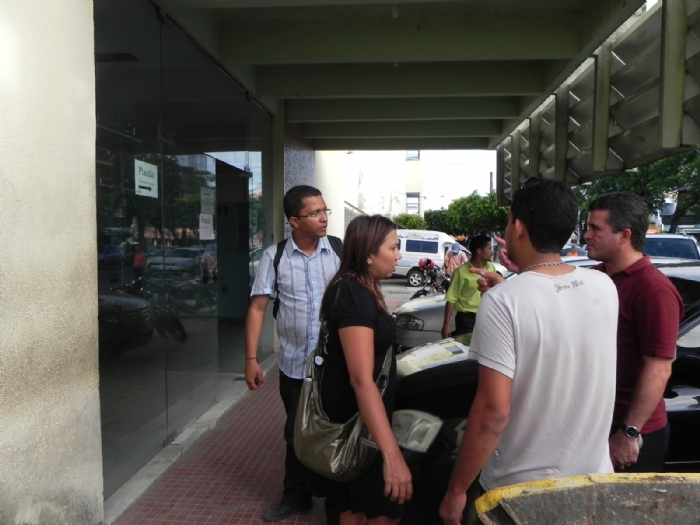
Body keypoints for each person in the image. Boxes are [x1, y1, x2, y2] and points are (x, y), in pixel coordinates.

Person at [439, 180, 619, 525]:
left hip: (521, 496)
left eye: (508, 221)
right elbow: (552, 305)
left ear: (518, 227)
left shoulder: (504, 301)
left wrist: (457, 489)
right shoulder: (604, 285)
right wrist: (515, 282)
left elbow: (492, 412)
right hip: (592, 485)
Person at [244, 185, 341, 523]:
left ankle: (336, 501)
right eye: (315, 213)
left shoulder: (340, 251)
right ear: (294, 221)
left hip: (337, 367)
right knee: (296, 434)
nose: (324, 217)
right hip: (295, 366)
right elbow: (257, 309)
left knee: (336, 431)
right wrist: (251, 360)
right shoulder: (275, 257)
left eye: (325, 210)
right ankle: (296, 497)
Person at [312, 215, 412, 525]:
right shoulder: (352, 293)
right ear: (369, 254)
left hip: (363, 425)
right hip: (360, 428)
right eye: (393, 248)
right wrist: (392, 456)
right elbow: (361, 380)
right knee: (385, 510)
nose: (399, 256)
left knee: (354, 508)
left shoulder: (360, 288)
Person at [584, 192, 683, 473]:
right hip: (593, 423)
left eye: (595, 228)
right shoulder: (595, 277)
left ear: (624, 235)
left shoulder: (653, 290)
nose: (586, 236)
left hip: (631, 432)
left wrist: (629, 432)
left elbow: (658, 369)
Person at [440, 235, 495, 338]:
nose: (492, 252)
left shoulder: (491, 268)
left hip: (486, 316)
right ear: (479, 251)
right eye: (490, 248)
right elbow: (451, 299)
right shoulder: (461, 272)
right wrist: (446, 325)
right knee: (467, 346)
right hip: (466, 319)